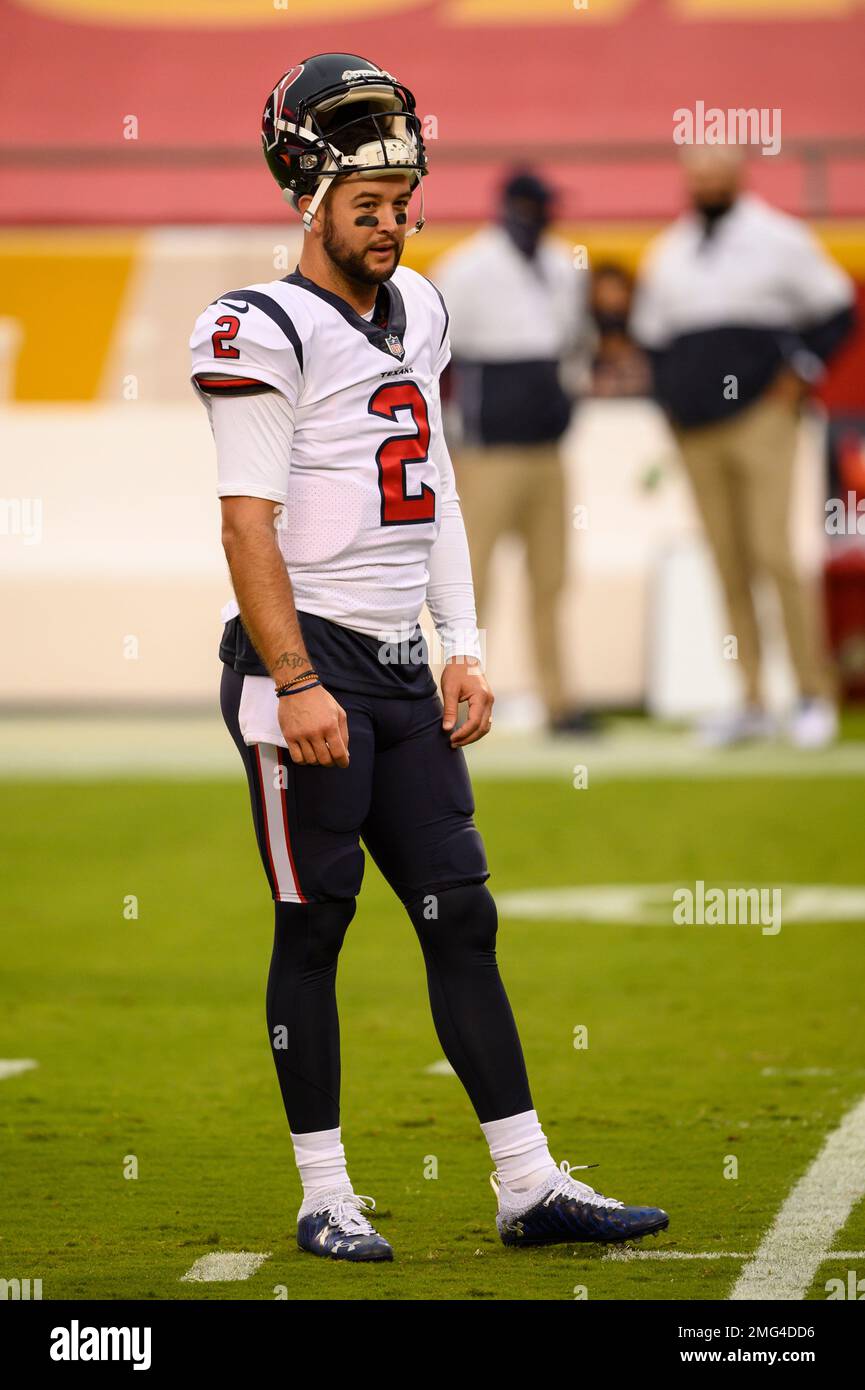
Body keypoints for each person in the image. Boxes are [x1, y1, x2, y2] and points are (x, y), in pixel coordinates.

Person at [189, 52, 667, 1263]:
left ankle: (524, 1181)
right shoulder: (261, 326)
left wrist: (465, 643)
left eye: (403, 201)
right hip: (308, 666)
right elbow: (246, 524)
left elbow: (435, 485)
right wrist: (296, 681)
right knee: (315, 926)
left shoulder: (425, 308)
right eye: (368, 204)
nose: (393, 221)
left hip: (404, 668)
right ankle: (325, 1192)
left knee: (463, 918)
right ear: (307, 196)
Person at [632, 145, 856, 748]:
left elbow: (837, 308)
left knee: (773, 554)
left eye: (716, 174)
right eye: (697, 176)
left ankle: (813, 693)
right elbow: (652, 340)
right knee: (726, 562)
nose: (705, 184)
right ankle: (752, 698)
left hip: (762, 417)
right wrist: (671, 408)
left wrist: (799, 371)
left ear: (738, 175)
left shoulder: (779, 238)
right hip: (695, 429)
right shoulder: (669, 251)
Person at [431, 172, 595, 734]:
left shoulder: (562, 267)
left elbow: (573, 346)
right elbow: (433, 357)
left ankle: (559, 700)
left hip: (546, 449)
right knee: (470, 581)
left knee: (551, 578)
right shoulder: (468, 267)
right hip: (486, 451)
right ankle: (452, 699)